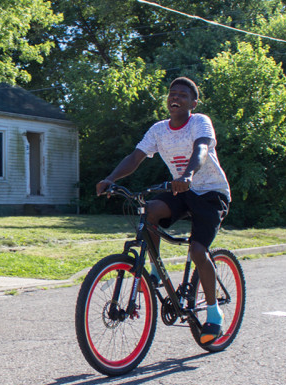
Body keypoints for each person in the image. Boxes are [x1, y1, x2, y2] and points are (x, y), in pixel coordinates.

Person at [95, 77, 231, 344]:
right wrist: (111, 179)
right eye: (172, 93)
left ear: (193, 102)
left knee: (197, 250)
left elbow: (201, 149)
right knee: (149, 210)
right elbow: (136, 157)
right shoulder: (158, 130)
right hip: (183, 191)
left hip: (211, 192)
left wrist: (189, 174)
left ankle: (214, 314)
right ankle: (155, 271)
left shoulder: (199, 121)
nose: (175, 97)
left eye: (182, 94)